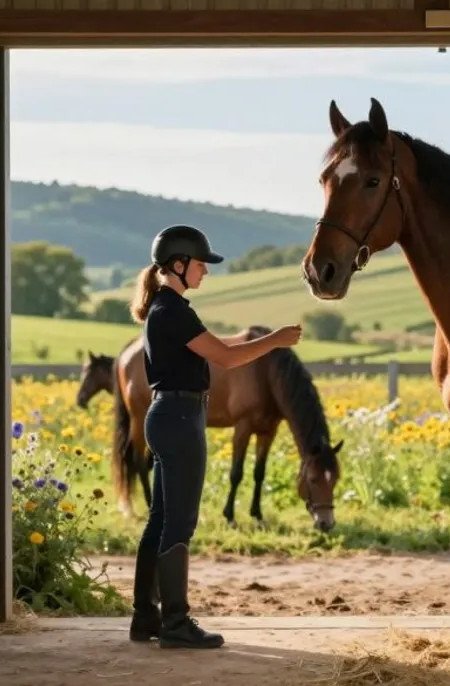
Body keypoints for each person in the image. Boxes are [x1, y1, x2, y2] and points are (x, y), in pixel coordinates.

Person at [125, 224, 303, 649]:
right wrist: (275, 341)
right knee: (180, 523)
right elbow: (225, 356)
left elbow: (213, 347)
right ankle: (176, 623)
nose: (206, 271)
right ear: (178, 265)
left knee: (160, 520)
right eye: (201, 263)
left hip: (167, 415)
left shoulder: (164, 309)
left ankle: (145, 617)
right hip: (182, 418)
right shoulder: (174, 311)